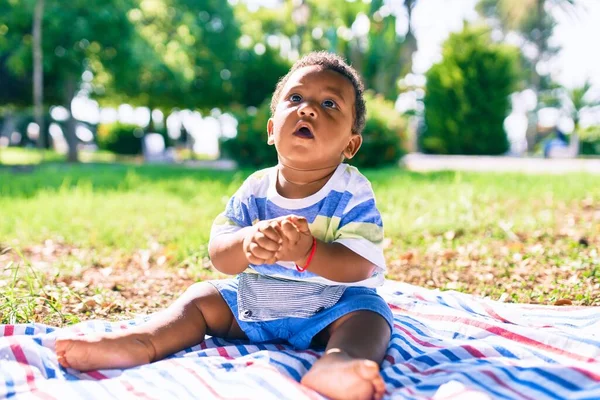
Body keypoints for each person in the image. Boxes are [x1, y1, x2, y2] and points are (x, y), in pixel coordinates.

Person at [55, 51, 393, 400]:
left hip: (331, 307)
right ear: (271, 129)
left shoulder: (352, 190)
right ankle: (144, 341)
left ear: (350, 144)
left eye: (329, 104)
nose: (308, 109)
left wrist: (307, 252)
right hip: (254, 303)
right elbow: (220, 255)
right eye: (295, 98)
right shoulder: (254, 189)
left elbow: (359, 264)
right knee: (201, 298)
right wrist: (246, 243)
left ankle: (340, 363)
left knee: (370, 315)